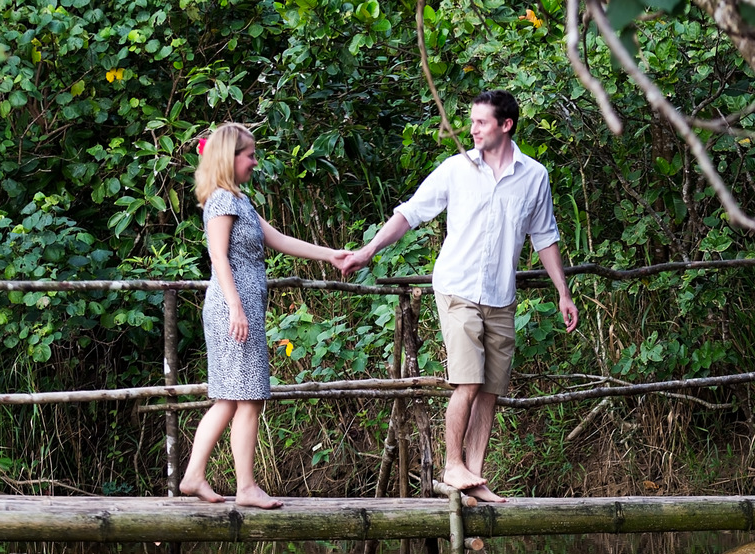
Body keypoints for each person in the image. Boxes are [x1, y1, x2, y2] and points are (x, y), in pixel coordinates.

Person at [338, 91, 579, 503]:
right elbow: (409, 213)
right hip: (457, 288)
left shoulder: (534, 176)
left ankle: (474, 479)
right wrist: (367, 251)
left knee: (490, 390)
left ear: (506, 125)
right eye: (471, 122)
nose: (472, 129)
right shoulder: (456, 169)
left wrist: (563, 292)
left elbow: (545, 236)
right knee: (467, 381)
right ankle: (453, 466)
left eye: (481, 122)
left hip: (501, 295)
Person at [180, 122, 348, 509]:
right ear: (230, 157)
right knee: (249, 398)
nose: (255, 161)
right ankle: (246, 488)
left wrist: (330, 255)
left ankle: (193, 475)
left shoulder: (238, 200)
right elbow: (218, 257)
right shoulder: (222, 200)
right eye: (250, 155)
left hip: (240, 307)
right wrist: (237, 308)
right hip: (232, 308)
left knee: (229, 398)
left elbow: (280, 240)